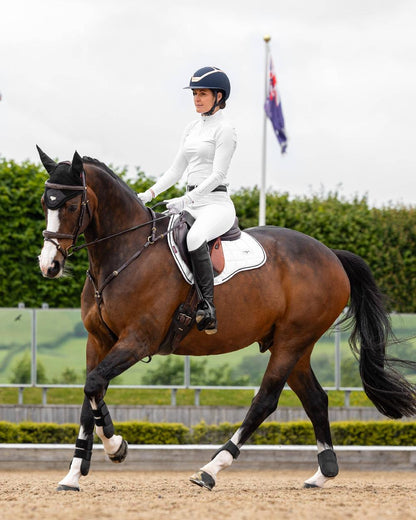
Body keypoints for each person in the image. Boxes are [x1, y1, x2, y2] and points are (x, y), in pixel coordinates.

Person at [137, 66, 237, 335]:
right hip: (191, 203)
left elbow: (218, 174)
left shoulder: (225, 129)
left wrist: (187, 198)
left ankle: (208, 307)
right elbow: (175, 170)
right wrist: (149, 194)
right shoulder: (192, 128)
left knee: (194, 239)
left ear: (218, 96)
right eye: (194, 94)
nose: (197, 99)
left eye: (202, 93)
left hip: (216, 204)